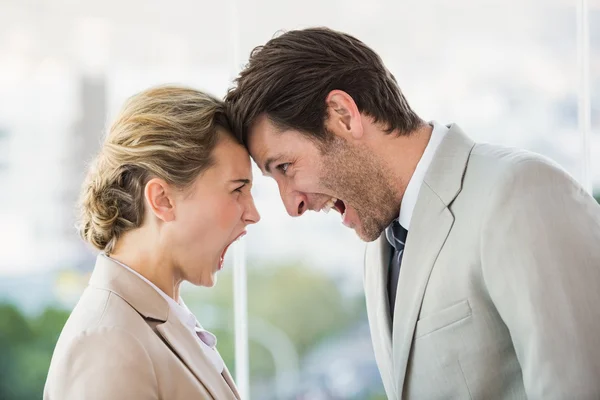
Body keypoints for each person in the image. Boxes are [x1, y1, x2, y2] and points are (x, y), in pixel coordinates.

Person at [225, 27, 600, 399]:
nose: (292, 205)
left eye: (286, 167)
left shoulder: (521, 193)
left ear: (343, 115)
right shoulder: (382, 241)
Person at [44, 85, 260, 400]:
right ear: (162, 200)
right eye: (237, 189)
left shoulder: (158, 320)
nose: (253, 214)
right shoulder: (107, 344)